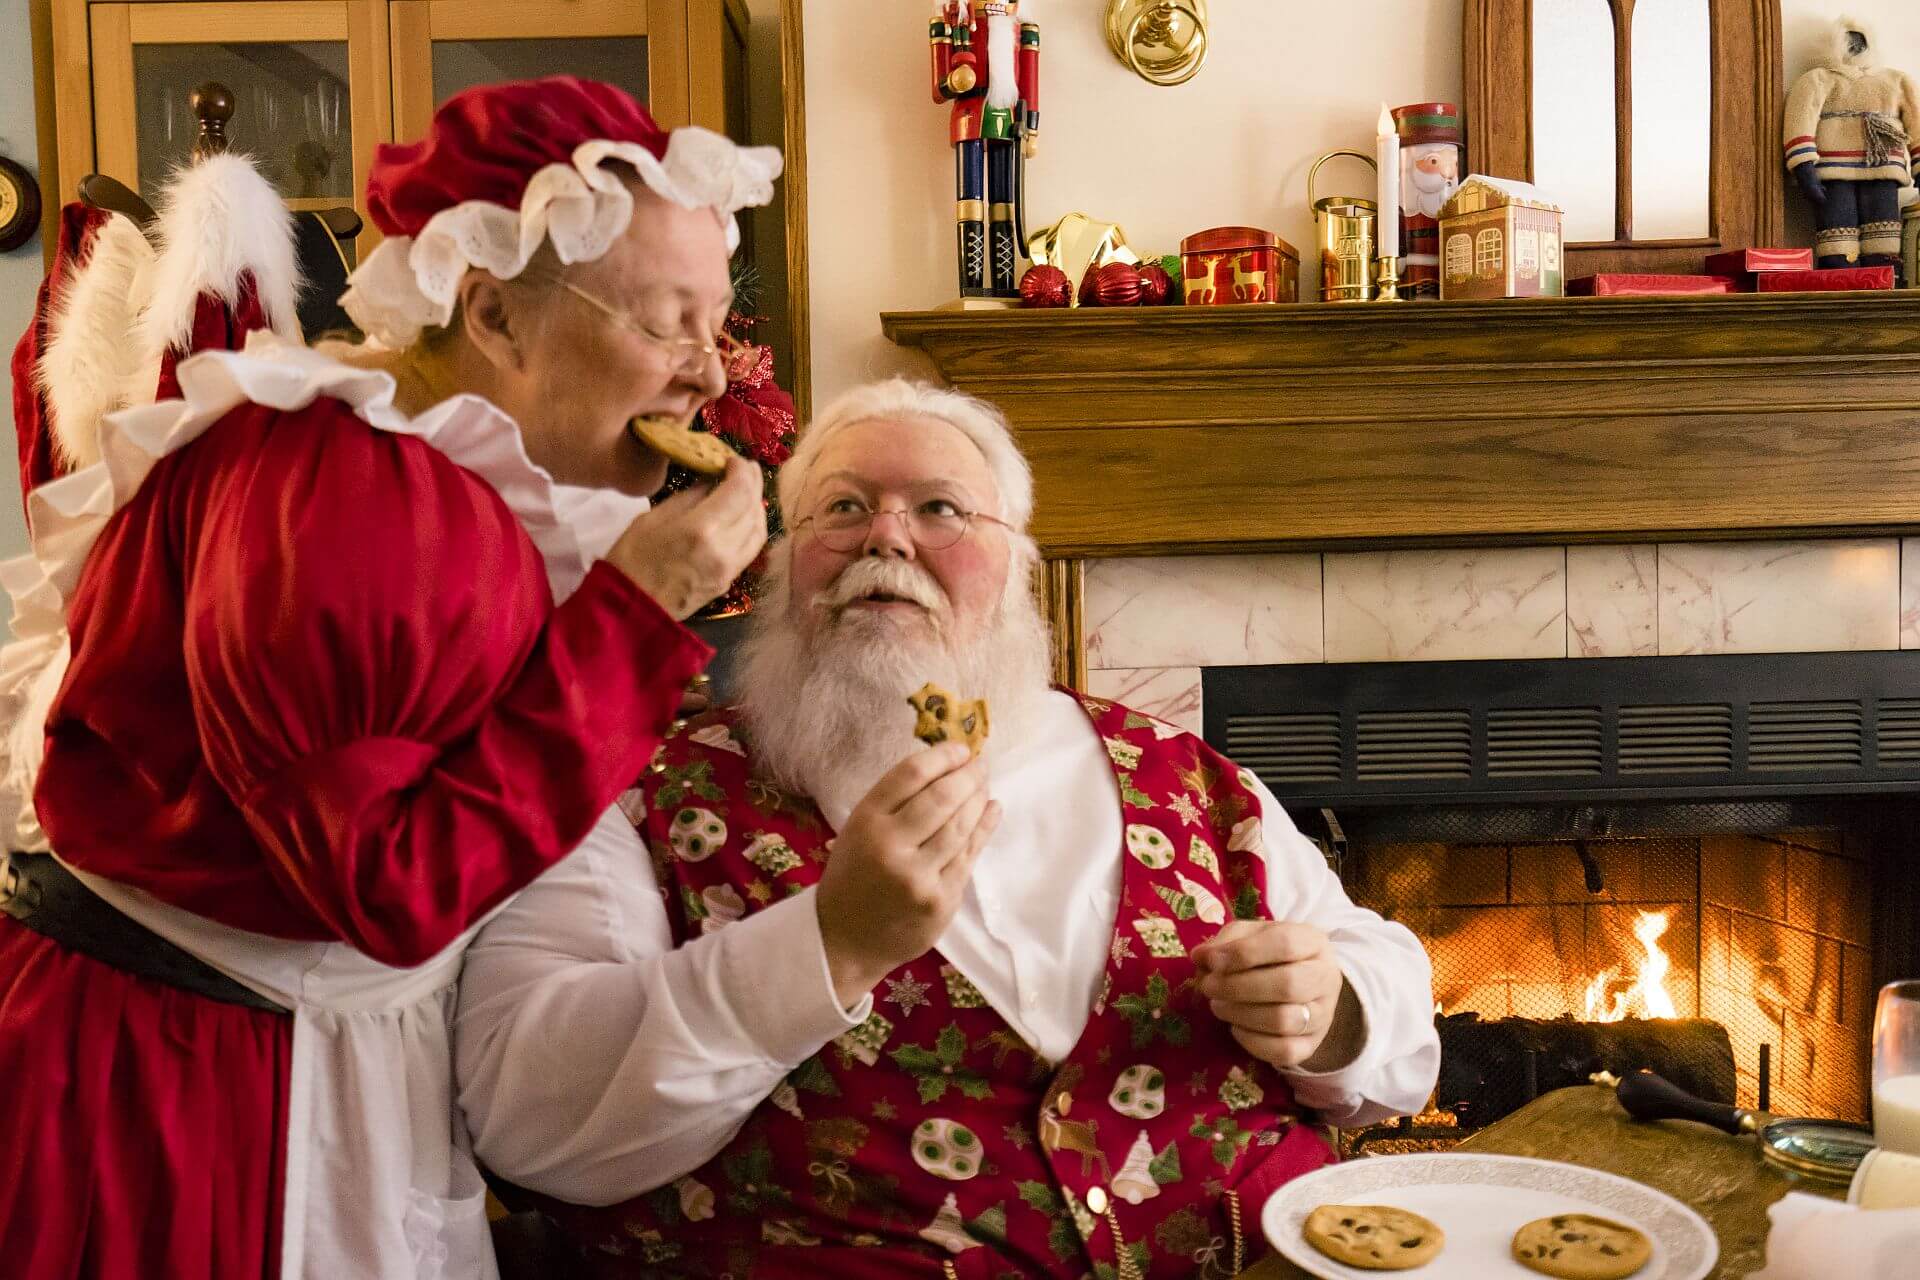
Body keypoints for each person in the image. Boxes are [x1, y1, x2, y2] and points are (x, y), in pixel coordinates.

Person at [0, 77, 777, 1278]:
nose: (710, 378)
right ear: (493, 314)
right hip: (183, 1092)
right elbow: (392, 883)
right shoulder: (348, 493)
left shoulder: (424, 478)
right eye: (670, 323)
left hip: (279, 1056)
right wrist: (638, 611)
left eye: (715, 327)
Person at [455, 379, 1441, 1278]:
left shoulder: (1189, 777)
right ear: (785, 562)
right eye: (842, 506)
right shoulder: (634, 796)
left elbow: (1396, 1019)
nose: (888, 536)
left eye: (941, 508)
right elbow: (525, 1115)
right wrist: (827, 944)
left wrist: (1335, 1008)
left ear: (1017, 567)